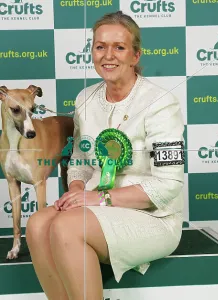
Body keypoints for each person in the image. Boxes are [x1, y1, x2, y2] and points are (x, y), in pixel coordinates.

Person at [26, 10, 185, 300]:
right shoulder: (85, 98)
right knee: (37, 225)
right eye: (100, 46)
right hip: (95, 208)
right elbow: (79, 162)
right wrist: (75, 189)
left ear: (135, 56)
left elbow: (168, 185)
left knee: (65, 227)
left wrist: (100, 198)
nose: (107, 55)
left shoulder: (162, 102)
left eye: (119, 47)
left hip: (153, 217)